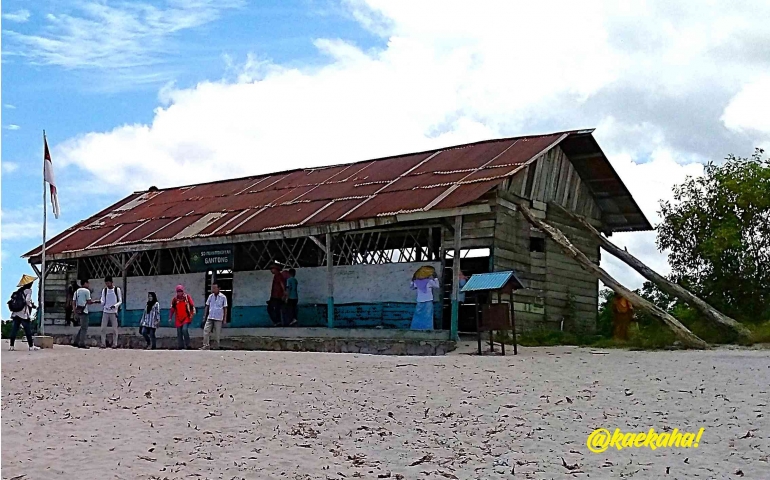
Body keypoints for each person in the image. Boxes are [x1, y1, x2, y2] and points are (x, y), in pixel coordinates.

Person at [8, 274, 39, 351]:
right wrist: (32, 306)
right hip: (23, 313)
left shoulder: (19, 291)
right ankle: (31, 346)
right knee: (27, 330)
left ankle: (11, 346)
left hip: (16, 313)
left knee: (14, 330)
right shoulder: (28, 291)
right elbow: (27, 301)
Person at [202, 283, 228, 350]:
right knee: (206, 330)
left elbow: (225, 308)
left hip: (218, 317)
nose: (213, 289)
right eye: (212, 288)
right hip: (210, 316)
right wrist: (204, 316)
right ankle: (206, 345)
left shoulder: (223, 297)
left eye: (214, 288)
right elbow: (207, 306)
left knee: (217, 333)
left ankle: (216, 346)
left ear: (219, 288)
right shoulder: (210, 296)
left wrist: (225, 318)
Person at [99, 275, 123, 349]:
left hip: (113, 311)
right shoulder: (104, 290)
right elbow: (103, 300)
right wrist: (101, 302)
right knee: (103, 328)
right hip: (105, 311)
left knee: (114, 329)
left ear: (111, 282)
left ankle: (114, 343)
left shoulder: (117, 289)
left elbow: (120, 301)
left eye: (108, 283)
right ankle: (103, 343)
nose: (107, 285)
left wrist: (115, 306)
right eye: (106, 283)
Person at [170, 285, 195, 349]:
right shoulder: (175, 299)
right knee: (179, 332)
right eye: (178, 291)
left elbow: (192, 305)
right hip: (178, 318)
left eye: (181, 291)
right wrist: (170, 317)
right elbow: (172, 309)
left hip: (186, 317)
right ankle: (180, 346)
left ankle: (188, 344)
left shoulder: (187, 297)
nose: (179, 293)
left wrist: (191, 314)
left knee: (184, 330)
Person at [72, 279, 96, 349]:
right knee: (84, 328)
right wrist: (94, 302)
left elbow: (73, 302)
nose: (88, 285)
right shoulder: (86, 291)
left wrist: (74, 311)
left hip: (78, 310)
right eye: (88, 283)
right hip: (84, 311)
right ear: (85, 283)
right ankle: (81, 343)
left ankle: (76, 341)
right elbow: (88, 301)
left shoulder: (76, 291)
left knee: (82, 327)